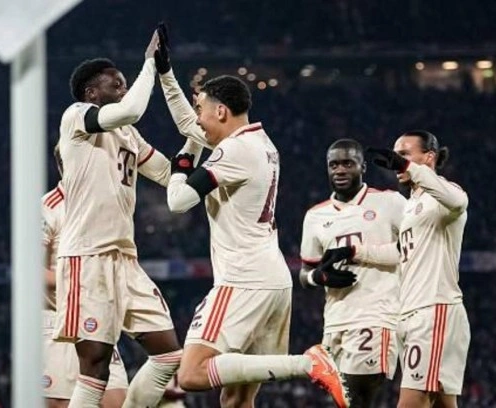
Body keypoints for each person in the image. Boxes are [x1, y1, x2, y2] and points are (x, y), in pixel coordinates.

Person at [155, 24, 349, 408]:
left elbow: (178, 201)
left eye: (201, 110)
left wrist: (182, 162)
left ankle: (307, 363)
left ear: (221, 111)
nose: (197, 119)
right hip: (272, 281)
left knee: (192, 373)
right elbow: (191, 126)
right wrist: (166, 75)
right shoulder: (259, 143)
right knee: (237, 401)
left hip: (242, 281)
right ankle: (306, 364)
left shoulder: (234, 152)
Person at [53, 27, 203, 407]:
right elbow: (132, 108)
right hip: (88, 256)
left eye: (124, 85)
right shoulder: (76, 117)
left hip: (126, 259)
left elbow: (170, 174)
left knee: (169, 355)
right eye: (116, 85)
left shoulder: (129, 135)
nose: (123, 90)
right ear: (92, 93)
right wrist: (150, 64)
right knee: (96, 367)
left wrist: (197, 137)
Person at [360, 131, 470, 408]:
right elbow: (401, 252)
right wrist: (355, 252)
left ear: (429, 157)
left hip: (434, 309)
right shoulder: (411, 206)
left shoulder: (444, 195)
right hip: (410, 312)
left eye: (404, 154)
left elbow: (459, 202)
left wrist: (408, 167)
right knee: (442, 403)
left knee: (412, 401)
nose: (396, 161)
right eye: (395, 155)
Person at [298, 139, 406, 407]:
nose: (340, 170)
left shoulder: (390, 202)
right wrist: (317, 277)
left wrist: (357, 252)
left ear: (363, 167)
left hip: (376, 315)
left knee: (357, 399)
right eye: (333, 165)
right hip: (335, 322)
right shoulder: (315, 216)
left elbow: (414, 250)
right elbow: (305, 272)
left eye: (348, 163)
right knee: (346, 402)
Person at [42, 145, 128, 407]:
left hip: (97, 318)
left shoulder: (102, 204)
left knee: (117, 401)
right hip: (58, 322)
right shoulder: (48, 207)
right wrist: (81, 282)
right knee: (59, 404)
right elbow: (33, 273)